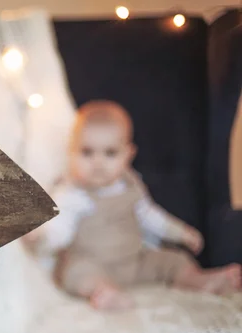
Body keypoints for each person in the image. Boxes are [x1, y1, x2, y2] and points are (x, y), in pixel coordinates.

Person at [26, 99, 241, 311]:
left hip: (134, 262)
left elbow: (149, 216)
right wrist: (41, 237)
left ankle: (197, 280)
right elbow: (60, 230)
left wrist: (180, 232)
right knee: (74, 272)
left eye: (110, 153)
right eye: (87, 152)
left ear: (128, 155)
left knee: (173, 259)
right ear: (71, 153)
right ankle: (104, 292)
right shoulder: (73, 194)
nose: (98, 163)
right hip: (93, 264)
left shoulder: (131, 185)